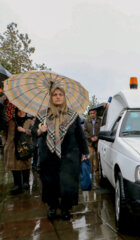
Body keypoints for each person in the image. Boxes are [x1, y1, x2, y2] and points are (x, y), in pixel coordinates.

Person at [32, 86, 89, 220]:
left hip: (69, 156)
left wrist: (85, 152)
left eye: (60, 94)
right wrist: (41, 130)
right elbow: (34, 132)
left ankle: (65, 209)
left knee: (67, 183)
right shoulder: (42, 115)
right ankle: (52, 207)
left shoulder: (73, 116)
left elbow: (80, 135)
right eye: (55, 95)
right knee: (50, 182)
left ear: (64, 97)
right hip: (49, 156)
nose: (58, 97)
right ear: (51, 98)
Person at [4, 108, 33, 194]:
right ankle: (17, 185)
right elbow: (5, 133)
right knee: (14, 166)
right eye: (19, 110)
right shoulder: (11, 121)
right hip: (12, 147)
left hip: (25, 147)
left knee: (25, 165)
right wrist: (5, 143)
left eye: (23, 110)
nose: (21, 112)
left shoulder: (29, 121)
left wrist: (24, 130)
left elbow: (34, 132)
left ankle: (26, 182)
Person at [83, 109, 101, 173]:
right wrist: (90, 138)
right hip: (89, 142)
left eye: (93, 113)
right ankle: (90, 171)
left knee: (98, 157)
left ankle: (97, 170)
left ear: (96, 113)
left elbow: (101, 130)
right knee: (90, 156)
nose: (92, 114)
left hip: (98, 142)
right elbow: (84, 131)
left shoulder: (100, 121)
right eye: (91, 113)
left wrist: (97, 137)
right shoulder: (86, 121)